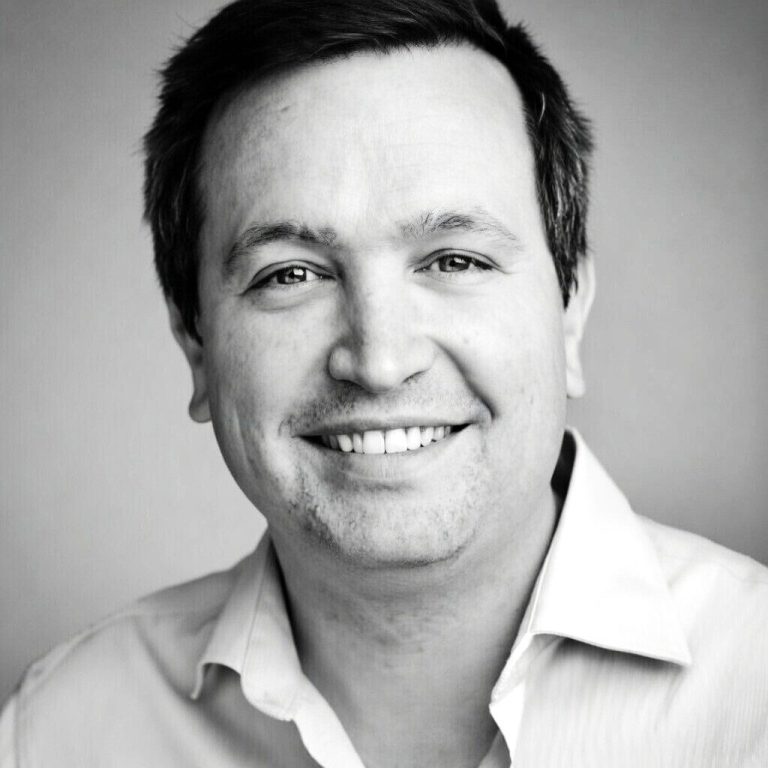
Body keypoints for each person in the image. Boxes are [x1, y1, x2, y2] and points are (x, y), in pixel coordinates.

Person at [1, 0, 766, 765]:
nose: (380, 359)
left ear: (570, 312)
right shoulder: (57, 734)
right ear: (196, 346)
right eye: (291, 275)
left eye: (454, 259)